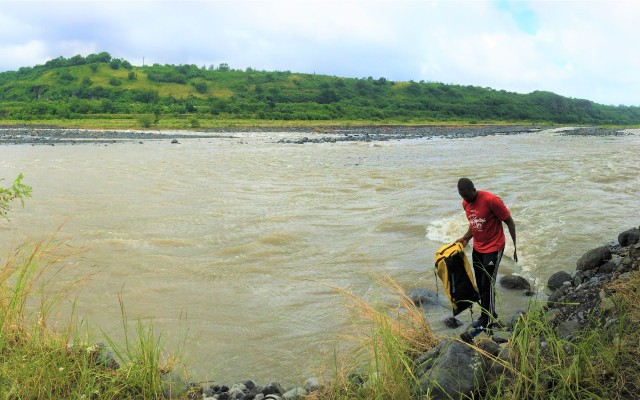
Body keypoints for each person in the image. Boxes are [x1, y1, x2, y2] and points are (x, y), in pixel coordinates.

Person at [455, 178, 517, 332]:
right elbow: (474, 223)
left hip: (494, 248)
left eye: (468, 196)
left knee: (487, 283)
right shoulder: (465, 203)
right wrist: (465, 238)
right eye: (463, 197)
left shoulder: (491, 201)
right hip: (478, 247)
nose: (466, 200)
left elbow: (510, 222)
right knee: (480, 283)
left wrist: (515, 247)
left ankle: (486, 319)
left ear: (474, 189)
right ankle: (489, 313)